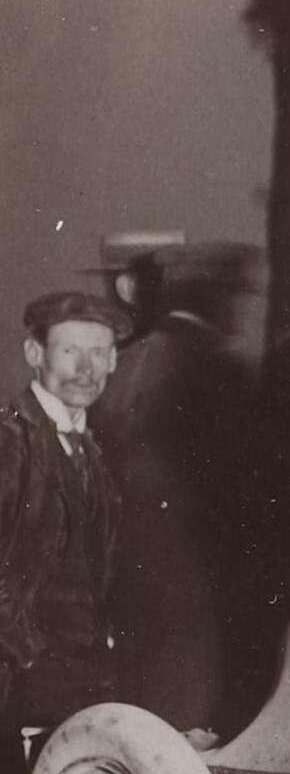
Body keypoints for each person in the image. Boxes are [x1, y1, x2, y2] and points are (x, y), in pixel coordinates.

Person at [92, 240, 281, 734]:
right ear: (213, 301)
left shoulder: (123, 365)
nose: (239, 315)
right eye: (236, 300)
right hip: (197, 566)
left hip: (128, 569)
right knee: (193, 700)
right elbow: (245, 489)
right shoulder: (218, 373)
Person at [1, 292, 134, 730]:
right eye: (70, 350)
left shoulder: (93, 446)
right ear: (34, 353)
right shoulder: (9, 438)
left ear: (114, 361)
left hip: (84, 678)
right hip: (21, 682)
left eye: (98, 352)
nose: (85, 369)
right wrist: (26, 651)